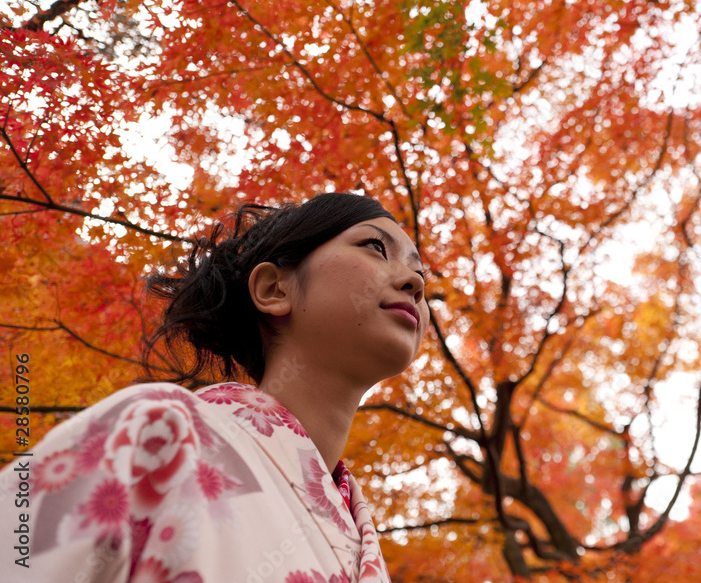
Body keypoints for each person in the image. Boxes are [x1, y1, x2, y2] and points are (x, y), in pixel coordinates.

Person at [0, 192, 429, 582]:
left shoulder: (361, 541)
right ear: (274, 289)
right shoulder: (155, 430)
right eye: (375, 247)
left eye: (418, 272)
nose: (416, 284)